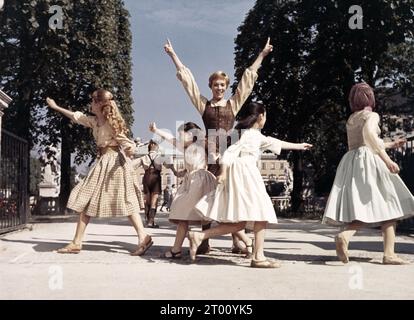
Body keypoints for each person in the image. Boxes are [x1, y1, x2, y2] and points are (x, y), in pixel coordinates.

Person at [164, 37, 274, 254]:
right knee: (208, 194)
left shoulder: (233, 104)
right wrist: (173, 55)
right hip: (209, 154)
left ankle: (235, 241)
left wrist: (261, 56)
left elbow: (248, 81)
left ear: (226, 86)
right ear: (210, 86)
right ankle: (204, 241)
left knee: (230, 194)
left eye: (222, 85)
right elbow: (188, 83)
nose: (219, 88)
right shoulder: (203, 104)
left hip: (230, 153)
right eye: (215, 85)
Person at [190, 102, 313, 267]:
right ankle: (258, 257)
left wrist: (299, 146)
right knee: (262, 214)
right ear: (261, 116)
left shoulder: (245, 133)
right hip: (245, 174)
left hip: (241, 174)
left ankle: (200, 236)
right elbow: (228, 154)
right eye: (265, 115)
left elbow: (274, 142)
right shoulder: (249, 134)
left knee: (240, 222)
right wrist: (224, 172)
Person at [45, 90, 153, 256]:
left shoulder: (111, 123)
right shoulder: (94, 121)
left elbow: (128, 144)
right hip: (104, 162)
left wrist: (130, 150)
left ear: (100, 104)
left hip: (115, 163)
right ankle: (77, 242)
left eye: (93, 101)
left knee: (124, 199)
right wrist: (56, 107)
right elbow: (76, 116)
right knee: (90, 200)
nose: (91, 103)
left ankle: (142, 236)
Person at [323, 83, 414, 265]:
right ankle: (388, 254)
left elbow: (363, 140)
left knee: (367, 206)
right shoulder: (372, 115)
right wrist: (388, 160)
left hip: (352, 161)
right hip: (370, 162)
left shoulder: (351, 118)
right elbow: (369, 136)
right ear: (370, 98)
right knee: (389, 204)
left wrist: (389, 144)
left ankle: (345, 235)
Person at [149, 121, 248, 259]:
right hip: (192, 181)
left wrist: (216, 157)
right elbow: (169, 138)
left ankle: (176, 249)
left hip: (201, 181)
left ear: (191, 134)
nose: (178, 137)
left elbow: (220, 155)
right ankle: (248, 242)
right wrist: (156, 129)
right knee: (208, 216)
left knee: (209, 215)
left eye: (181, 133)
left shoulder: (202, 145)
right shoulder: (185, 147)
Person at [133, 140, 174, 228]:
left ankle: (147, 220)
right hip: (156, 178)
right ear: (156, 147)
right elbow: (169, 165)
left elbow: (132, 165)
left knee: (147, 200)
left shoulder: (144, 157)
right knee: (154, 201)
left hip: (146, 177)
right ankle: (151, 222)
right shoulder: (160, 157)